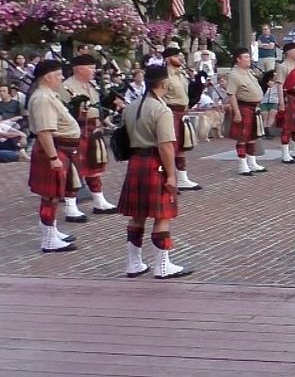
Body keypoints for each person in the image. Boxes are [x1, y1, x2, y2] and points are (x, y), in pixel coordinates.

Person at [117, 65, 191, 279]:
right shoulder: (162, 110)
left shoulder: (131, 107)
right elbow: (166, 145)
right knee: (162, 214)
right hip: (155, 163)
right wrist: (170, 174)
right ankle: (163, 265)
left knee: (137, 215)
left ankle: (133, 263)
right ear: (164, 83)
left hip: (136, 162)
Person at [26, 60, 82, 253]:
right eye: (58, 75)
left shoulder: (49, 95)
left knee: (55, 195)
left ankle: (52, 231)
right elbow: (44, 131)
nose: (62, 78)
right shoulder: (42, 98)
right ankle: (48, 240)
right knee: (50, 196)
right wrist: (53, 157)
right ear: (48, 77)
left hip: (59, 149)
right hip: (53, 150)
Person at [59, 54, 118, 217]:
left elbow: (97, 107)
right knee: (74, 168)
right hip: (76, 131)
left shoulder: (90, 86)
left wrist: (103, 121)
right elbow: (65, 113)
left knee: (94, 164)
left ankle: (98, 200)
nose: (94, 71)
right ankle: (70, 206)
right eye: (90, 68)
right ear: (79, 69)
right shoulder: (66, 87)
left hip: (92, 130)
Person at [158, 48, 202, 191]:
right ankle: (163, 179)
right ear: (168, 59)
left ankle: (182, 179)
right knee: (169, 148)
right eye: (177, 56)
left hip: (182, 113)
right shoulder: (163, 76)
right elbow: (159, 97)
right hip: (170, 113)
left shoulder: (181, 75)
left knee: (182, 146)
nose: (180, 58)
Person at [225, 48, 267, 177]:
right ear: (238, 59)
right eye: (246, 57)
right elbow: (231, 95)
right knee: (242, 137)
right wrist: (236, 112)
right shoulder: (234, 75)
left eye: (249, 57)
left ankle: (252, 162)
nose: (249, 59)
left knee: (252, 136)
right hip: (243, 107)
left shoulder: (249, 72)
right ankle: (242, 165)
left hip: (254, 108)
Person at [259, 71, 279, 139]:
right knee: (265, 116)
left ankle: (267, 130)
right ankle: (265, 131)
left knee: (272, 115)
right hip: (264, 102)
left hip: (274, 101)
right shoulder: (264, 84)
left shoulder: (278, 84)